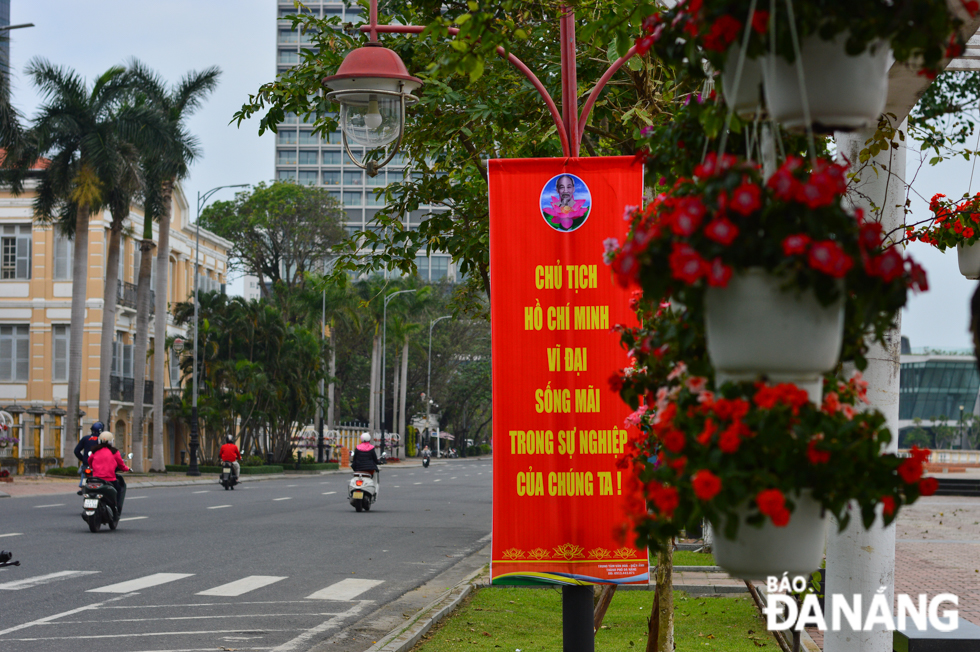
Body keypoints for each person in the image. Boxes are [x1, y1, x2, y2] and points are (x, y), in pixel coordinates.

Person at [87, 432, 130, 515]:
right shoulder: (114, 452)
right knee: (119, 489)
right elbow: (121, 465)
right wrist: (126, 469)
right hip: (110, 479)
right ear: (111, 441)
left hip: (96, 479)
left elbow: (90, 461)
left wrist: (92, 467)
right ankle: (116, 507)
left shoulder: (95, 451)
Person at [74, 421, 104, 493]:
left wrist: (83, 459)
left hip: (86, 463)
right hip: (98, 464)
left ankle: (82, 485)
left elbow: (76, 451)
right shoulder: (101, 439)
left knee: (84, 472)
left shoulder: (85, 438)